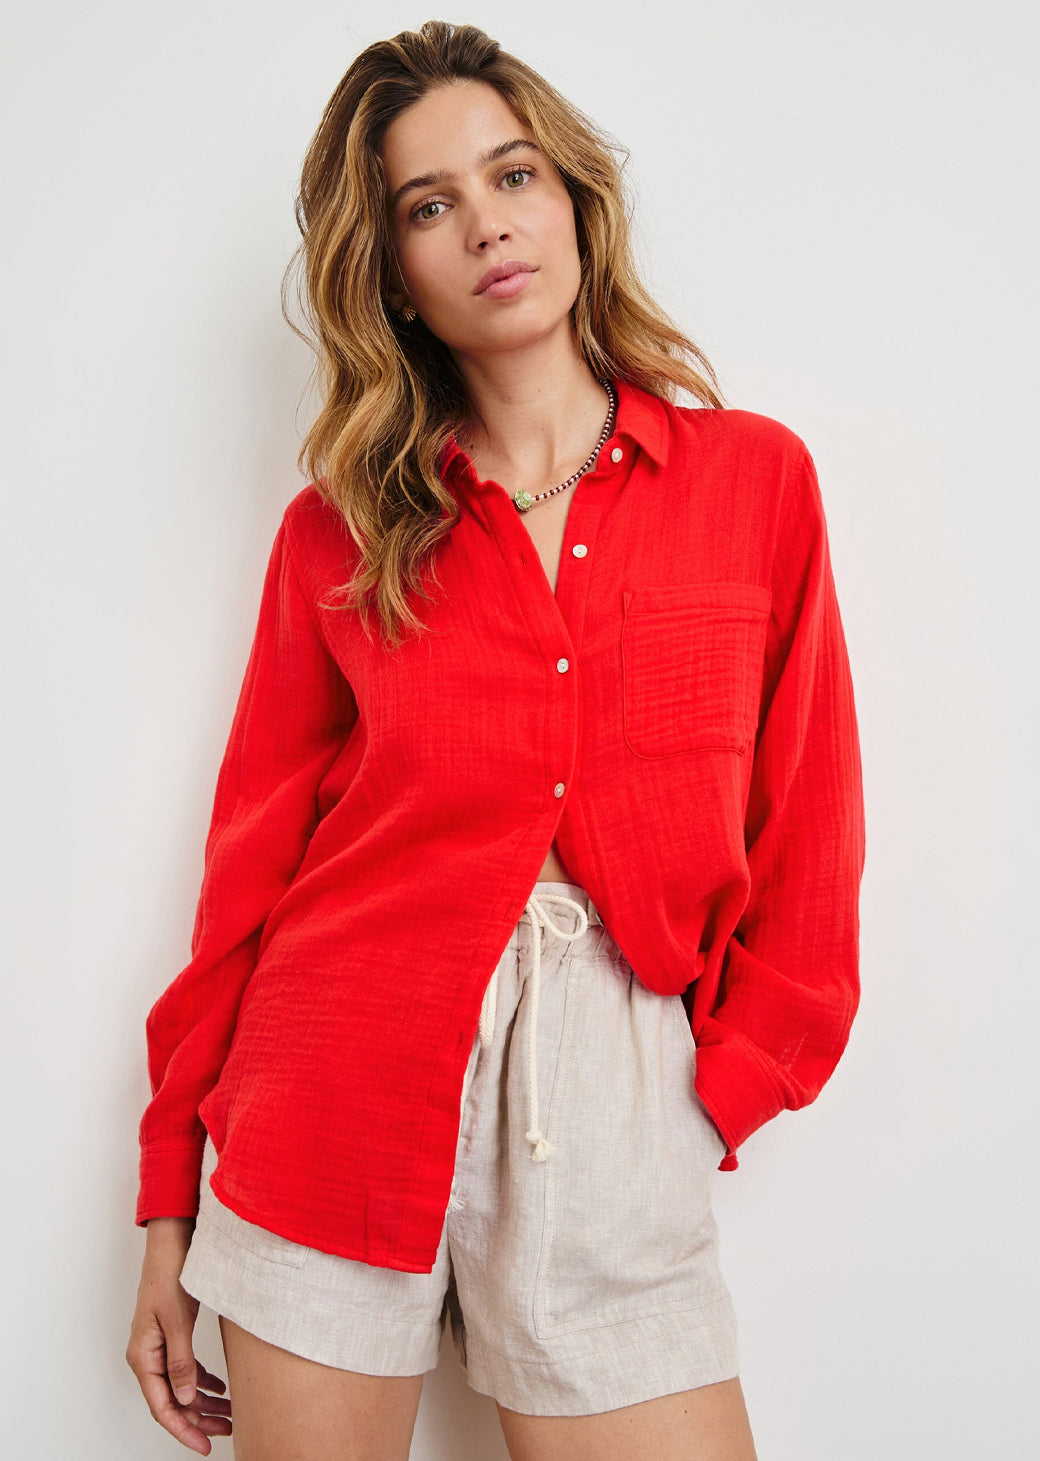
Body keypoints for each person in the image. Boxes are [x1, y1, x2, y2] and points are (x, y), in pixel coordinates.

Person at [125, 19, 865, 1461]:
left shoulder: (752, 482)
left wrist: (729, 1075)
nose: (486, 225)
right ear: (390, 272)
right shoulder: (339, 535)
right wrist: (169, 1200)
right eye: (429, 205)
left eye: (511, 174)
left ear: (574, 196)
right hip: (334, 1085)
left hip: (614, 1096)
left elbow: (811, 814)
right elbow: (249, 873)